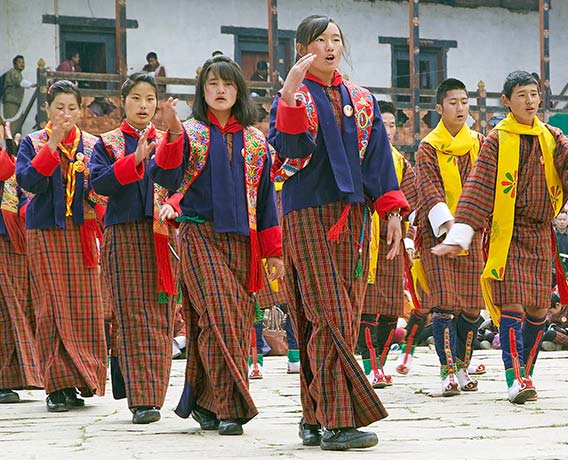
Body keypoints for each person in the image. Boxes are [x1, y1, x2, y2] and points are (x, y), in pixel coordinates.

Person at [268, 15, 409, 450]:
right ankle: (339, 420)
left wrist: (391, 211)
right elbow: (289, 150)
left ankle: (313, 417)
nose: (330, 47)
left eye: (336, 39)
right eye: (319, 40)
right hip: (306, 213)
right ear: (302, 48)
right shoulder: (291, 97)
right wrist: (290, 94)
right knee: (329, 313)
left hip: (353, 217)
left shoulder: (362, 101)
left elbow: (378, 163)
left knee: (337, 312)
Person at [433, 70, 568, 404]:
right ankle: (515, 378)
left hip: (541, 233)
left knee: (540, 310)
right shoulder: (497, 140)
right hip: (507, 233)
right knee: (511, 304)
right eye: (522, 95)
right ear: (507, 101)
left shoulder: (552, 136)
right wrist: (461, 233)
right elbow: (479, 188)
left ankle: (525, 372)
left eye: (534, 94)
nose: (530, 101)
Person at [149, 55, 284, 436]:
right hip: (198, 235)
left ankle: (205, 401)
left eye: (227, 83)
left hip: (243, 244)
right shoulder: (189, 132)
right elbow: (166, 174)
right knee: (222, 314)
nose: (220, 89)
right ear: (202, 91)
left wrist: (273, 252)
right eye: (212, 83)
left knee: (229, 322)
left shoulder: (258, 143)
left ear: (238, 90)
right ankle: (230, 407)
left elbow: (265, 202)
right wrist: (172, 132)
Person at [88, 72, 177, 424]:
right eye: (137, 98)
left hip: (163, 235)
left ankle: (153, 394)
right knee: (132, 316)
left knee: (162, 314)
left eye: (150, 99)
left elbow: (184, 180)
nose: (144, 105)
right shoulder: (106, 143)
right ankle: (142, 400)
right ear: (122, 102)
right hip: (124, 234)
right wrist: (134, 160)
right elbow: (98, 183)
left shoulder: (169, 140)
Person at [16, 80, 106, 412]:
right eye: (59, 108)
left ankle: (81, 378)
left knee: (84, 306)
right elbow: (28, 182)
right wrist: (51, 145)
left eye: (71, 108)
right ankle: (56, 386)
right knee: (50, 307)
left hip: (81, 233)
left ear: (81, 110)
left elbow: (100, 188)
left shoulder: (93, 144)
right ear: (47, 110)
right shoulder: (33, 141)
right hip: (45, 231)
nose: (65, 115)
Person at [411, 78, 486, 395]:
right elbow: (429, 190)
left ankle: (463, 366)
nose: (460, 108)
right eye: (453, 102)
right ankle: (446, 372)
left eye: (465, 101)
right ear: (439, 108)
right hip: (438, 236)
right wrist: (450, 228)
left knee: (470, 306)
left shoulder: (480, 143)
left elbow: (487, 186)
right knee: (444, 304)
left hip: (473, 233)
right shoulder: (428, 147)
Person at [358, 100, 417, 389]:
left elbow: (412, 202)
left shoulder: (400, 162)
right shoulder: (358, 156)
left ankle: (379, 363)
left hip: (391, 242)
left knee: (391, 307)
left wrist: (408, 238)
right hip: (364, 239)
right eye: (383, 124)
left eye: (392, 125)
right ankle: (370, 365)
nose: (388, 130)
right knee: (368, 306)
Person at [0, 119, 42, 403]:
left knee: (15, 306)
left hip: (11, 239)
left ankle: (11, 377)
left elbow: (22, 193)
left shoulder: (12, 159)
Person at [2, 55, 31, 135]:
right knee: (11, 128)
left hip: (16, 104)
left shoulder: (18, 74)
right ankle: (10, 147)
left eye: (23, 62)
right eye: (19, 62)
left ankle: (15, 146)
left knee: (17, 128)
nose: (22, 64)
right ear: (15, 64)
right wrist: (32, 85)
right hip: (11, 103)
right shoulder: (13, 72)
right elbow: (20, 82)